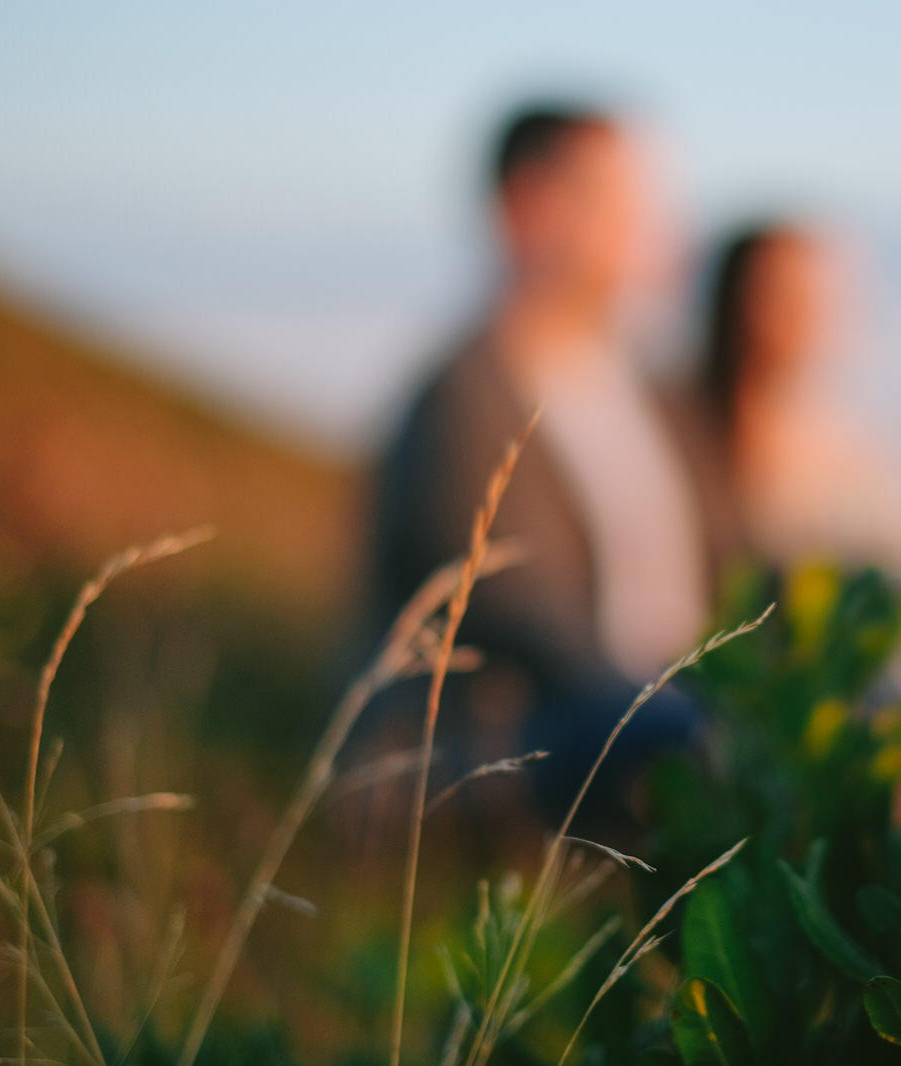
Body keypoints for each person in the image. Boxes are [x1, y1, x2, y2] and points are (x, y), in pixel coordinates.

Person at [363, 104, 734, 833]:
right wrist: (703, 712)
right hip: (523, 745)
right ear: (527, 210)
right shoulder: (461, 401)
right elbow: (518, 617)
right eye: (618, 203)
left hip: (658, 714)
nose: (649, 229)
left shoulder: (649, 393)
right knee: (700, 750)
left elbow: (739, 557)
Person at [697, 221, 901, 571]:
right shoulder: (673, 437)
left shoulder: (874, 467)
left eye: (813, 300)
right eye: (775, 296)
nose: (798, 319)